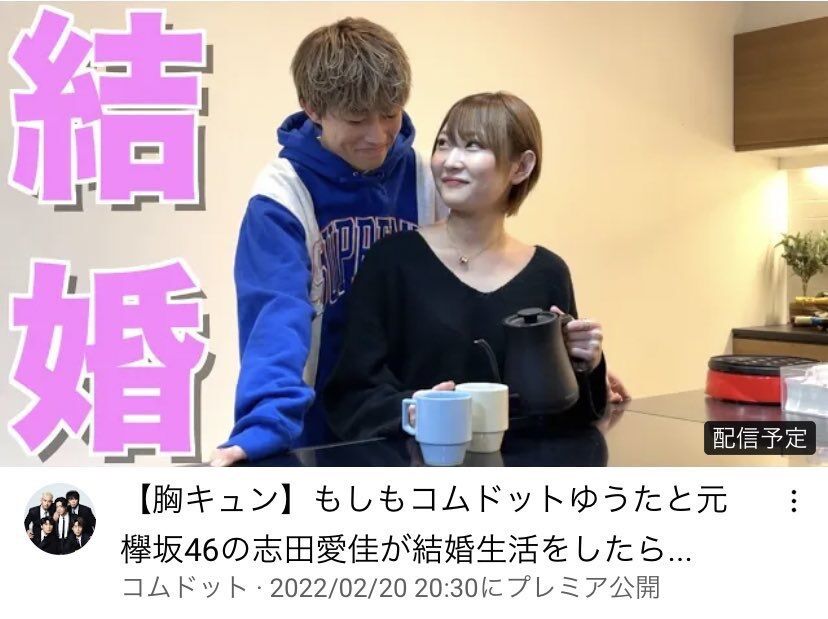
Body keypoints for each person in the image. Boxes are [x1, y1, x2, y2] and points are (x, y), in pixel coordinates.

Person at [210, 18, 442, 466]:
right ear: (312, 108)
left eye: (390, 113)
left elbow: (478, 275)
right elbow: (275, 314)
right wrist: (265, 425)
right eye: (356, 118)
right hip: (319, 434)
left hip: (419, 423)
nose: (378, 135)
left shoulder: (426, 180)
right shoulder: (282, 196)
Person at [325, 92, 608, 439]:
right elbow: (351, 395)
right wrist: (413, 409)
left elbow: (570, 416)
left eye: (473, 146)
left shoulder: (548, 272)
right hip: (417, 466)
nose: (450, 161)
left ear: (521, 167)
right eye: (444, 144)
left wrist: (588, 363)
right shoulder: (391, 261)